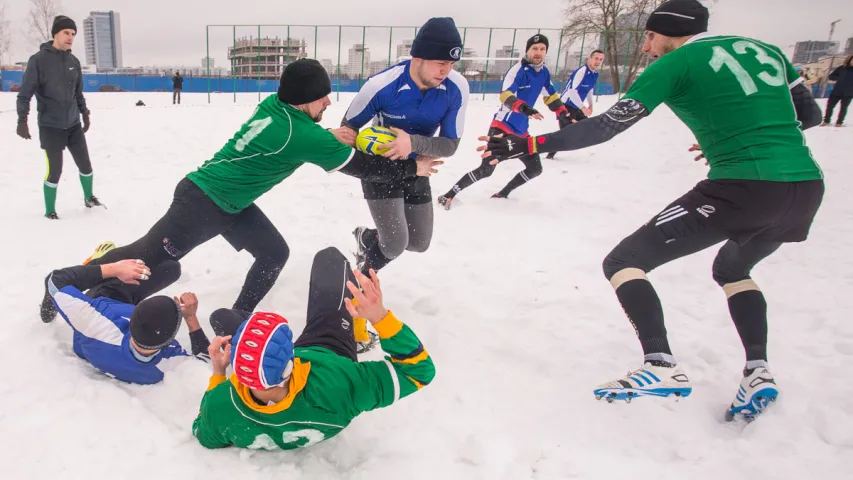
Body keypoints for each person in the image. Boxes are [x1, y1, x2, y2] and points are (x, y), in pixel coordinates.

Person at [479, 0, 824, 421]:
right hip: (805, 188)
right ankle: (758, 371)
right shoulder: (766, 49)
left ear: (669, 33)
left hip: (742, 187)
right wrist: (737, 135)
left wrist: (530, 143)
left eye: (648, 37)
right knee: (732, 271)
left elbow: (606, 126)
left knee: (624, 261)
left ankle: (660, 364)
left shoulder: (676, 62)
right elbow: (810, 115)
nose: (646, 48)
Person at [77, 58, 441, 315]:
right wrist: (415, 167)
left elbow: (294, 137)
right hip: (202, 204)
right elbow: (366, 168)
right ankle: (72, 281)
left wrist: (325, 134)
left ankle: (239, 315)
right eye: (323, 96)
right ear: (304, 100)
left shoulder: (276, 106)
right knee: (147, 257)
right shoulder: (302, 134)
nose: (330, 101)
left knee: (273, 253)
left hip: (228, 202)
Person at [192, 247, 435, 450]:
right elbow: (419, 372)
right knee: (330, 257)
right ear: (291, 363)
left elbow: (204, 434)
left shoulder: (222, 406)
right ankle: (359, 332)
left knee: (221, 317)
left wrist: (218, 374)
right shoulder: (342, 383)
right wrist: (380, 318)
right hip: (329, 350)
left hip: (272, 383)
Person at [342, 17, 470, 272]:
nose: (446, 71)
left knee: (419, 243)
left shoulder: (457, 87)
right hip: (381, 167)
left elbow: (450, 145)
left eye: (452, 63)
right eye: (441, 63)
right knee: (394, 244)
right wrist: (367, 153)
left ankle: (367, 238)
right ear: (418, 57)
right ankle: (360, 285)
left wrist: (410, 143)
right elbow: (347, 130)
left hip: (418, 166)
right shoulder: (381, 85)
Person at [41, 243, 211, 385]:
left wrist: (114, 269)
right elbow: (206, 362)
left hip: (104, 302)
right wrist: (190, 318)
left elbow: (55, 281)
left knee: (130, 264)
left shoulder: (95, 320)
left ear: (132, 316)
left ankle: (100, 260)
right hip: (113, 323)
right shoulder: (169, 364)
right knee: (171, 268)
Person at [437, 34, 569, 209]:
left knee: (535, 168)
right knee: (486, 169)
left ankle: (502, 194)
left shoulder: (544, 73)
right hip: (502, 127)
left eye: (542, 49)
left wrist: (564, 113)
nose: (538, 52)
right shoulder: (517, 71)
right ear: (528, 50)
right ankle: (448, 195)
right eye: (534, 49)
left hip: (522, 132)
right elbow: (505, 95)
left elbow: (550, 96)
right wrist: (523, 108)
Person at [16, 15, 102, 220]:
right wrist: (22, 119)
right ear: (55, 33)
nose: (70, 37)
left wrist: (85, 114)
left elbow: (78, 93)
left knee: (86, 166)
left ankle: (89, 198)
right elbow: (25, 93)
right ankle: (50, 211)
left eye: (73, 34)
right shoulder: (38, 60)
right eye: (66, 32)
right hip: (50, 126)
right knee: (55, 171)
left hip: (73, 125)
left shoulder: (74, 61)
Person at [545, 50, 605, 160]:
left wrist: (591, 105)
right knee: (565, 133)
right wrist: (583, 107)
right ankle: (548, 152)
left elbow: (589, 89)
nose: (598, 61)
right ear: (590, 59)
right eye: (596, 58)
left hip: (577, 106)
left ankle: (552, 150)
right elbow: (572, 92)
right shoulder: (582, 72)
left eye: (601, 59)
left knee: (586, 126)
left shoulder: (595, 74)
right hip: (565, 105)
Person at [820, 54, 853, 127]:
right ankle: (826, 121)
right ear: (849, 60)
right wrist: (839, 78)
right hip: (836, 91)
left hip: (849, 93)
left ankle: (839, 122)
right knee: (830, 106)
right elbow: (831, 76)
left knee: (843, 108)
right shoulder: (841, 68)